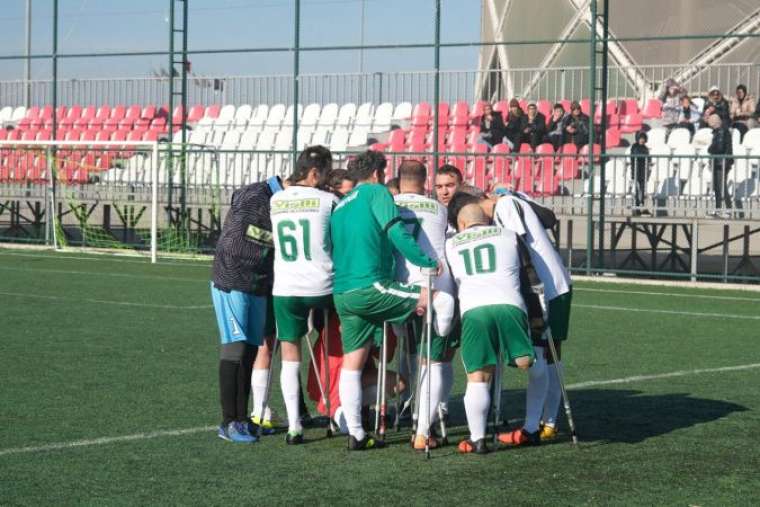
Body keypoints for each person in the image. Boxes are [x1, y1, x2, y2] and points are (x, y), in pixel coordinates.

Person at [329, 150, 442, 450]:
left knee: (352, 364)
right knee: (434, 298)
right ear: (378, 173)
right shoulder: (376, 192)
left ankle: (356, 433)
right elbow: (397, 232)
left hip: (342, 292)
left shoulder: (340, 206)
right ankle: (429, 410)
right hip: (372, 286)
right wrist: (426, 261)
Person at [449, 188, 573, 445]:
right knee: (544, 356)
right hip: (545, 287)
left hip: (544, 289)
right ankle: (542, 424)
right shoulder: (509, 202)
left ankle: (539, 425)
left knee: (544, 355)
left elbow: (521, 247)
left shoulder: (504, 207)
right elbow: (549, 219)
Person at [445, 204, 534, 454]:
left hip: (474, 309)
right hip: (510, 304)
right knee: (529, 361)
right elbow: (528, 270)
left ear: (462, 225)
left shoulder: (451, 243)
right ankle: (522, 358)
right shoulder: (508, 234)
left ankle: (478, 438)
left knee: (477, 377)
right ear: (486, 220)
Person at [270, 146, 338, 445]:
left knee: (290, 353)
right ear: (314, 173)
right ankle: (336, 412)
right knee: (333, 346)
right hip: (323, 284)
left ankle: (295, 425)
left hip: (286, 286)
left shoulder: (276, 199)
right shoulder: (329, 200)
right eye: (325, 173)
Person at [211, 173, 284, 443]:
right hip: (233, 279)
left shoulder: (279, 199)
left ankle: (244, 419)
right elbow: (237, 241)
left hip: (259, 283)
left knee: (252, 348)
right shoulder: (257, 197)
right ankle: (229, 422)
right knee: (235, 348)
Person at [393, 160, 456, 450]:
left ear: (399, 179)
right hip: (434, 286)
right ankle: (423, 426)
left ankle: (390, 410)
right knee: (433, 357)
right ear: (425, 180)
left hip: (397, 289)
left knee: (404, 343)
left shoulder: (388, 203)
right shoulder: (440, 209)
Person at [707, 114, 734, 216]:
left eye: (709, 120)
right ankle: (718, 210)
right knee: (717, 187)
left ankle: (729, 209)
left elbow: (719, 148)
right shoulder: (718, 132)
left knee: (721, 186)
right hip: (718, 162)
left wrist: (710, 148)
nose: (708, 122)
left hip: (722, 162)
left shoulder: (722, 131)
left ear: (714, 122)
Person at [630, 131, 651, 215]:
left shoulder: (645, 147)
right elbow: (637, 155)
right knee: (637, 190)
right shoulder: (635, 146)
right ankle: (637, 207)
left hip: (643, 172)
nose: (642, 140)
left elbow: (648, 158)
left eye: (643, 138)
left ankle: (642, 207)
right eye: (640, 138)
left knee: (643, 191)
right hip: (636, 171)